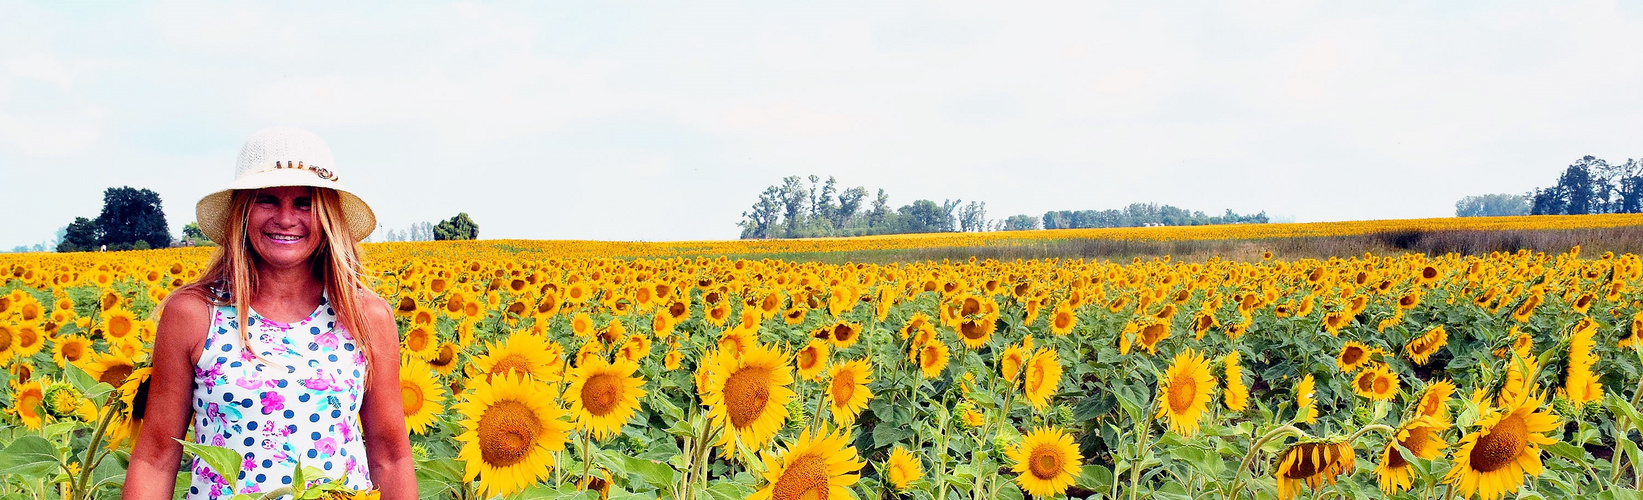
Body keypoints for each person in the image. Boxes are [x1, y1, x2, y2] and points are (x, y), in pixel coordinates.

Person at [125, 128, 414, 500]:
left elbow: (390, 457)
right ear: (242, 212)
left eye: (304, 203)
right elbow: (156, 457)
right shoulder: (195, 314)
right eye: (268, 200)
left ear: (327, 216)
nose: (286, 218)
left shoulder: (365, 317)